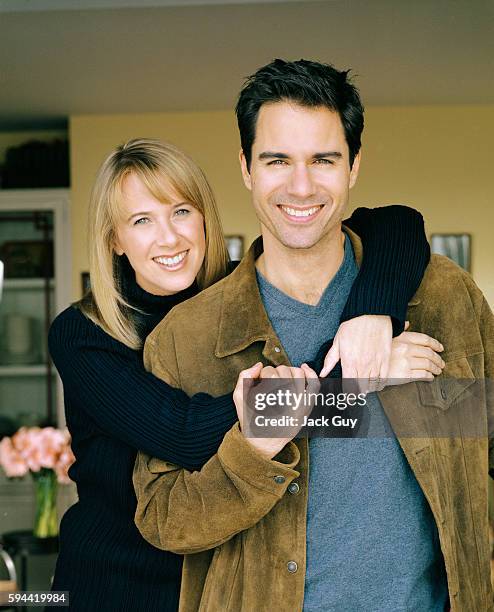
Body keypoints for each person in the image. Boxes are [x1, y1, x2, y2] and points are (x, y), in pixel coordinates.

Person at [133, 60, 494, 612]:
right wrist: (256, 445)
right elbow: (164, 521)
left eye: (323, 160)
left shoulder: (444, 298)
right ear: (247, 168)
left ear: (353, 167)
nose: (301, 186)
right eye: (277, 160)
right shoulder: (186, 339)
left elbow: (483, 447)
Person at [48, 137, 435, 612]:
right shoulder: (84, 333)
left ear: (206, 217)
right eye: (141, 220)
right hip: (110, 584)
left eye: (182, 212)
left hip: (216, 579)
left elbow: (398, 223)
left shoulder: (235, 294)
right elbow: (185, 434)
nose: (169, 238)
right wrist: (355, 374)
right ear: (114, 239)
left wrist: (371, 315)